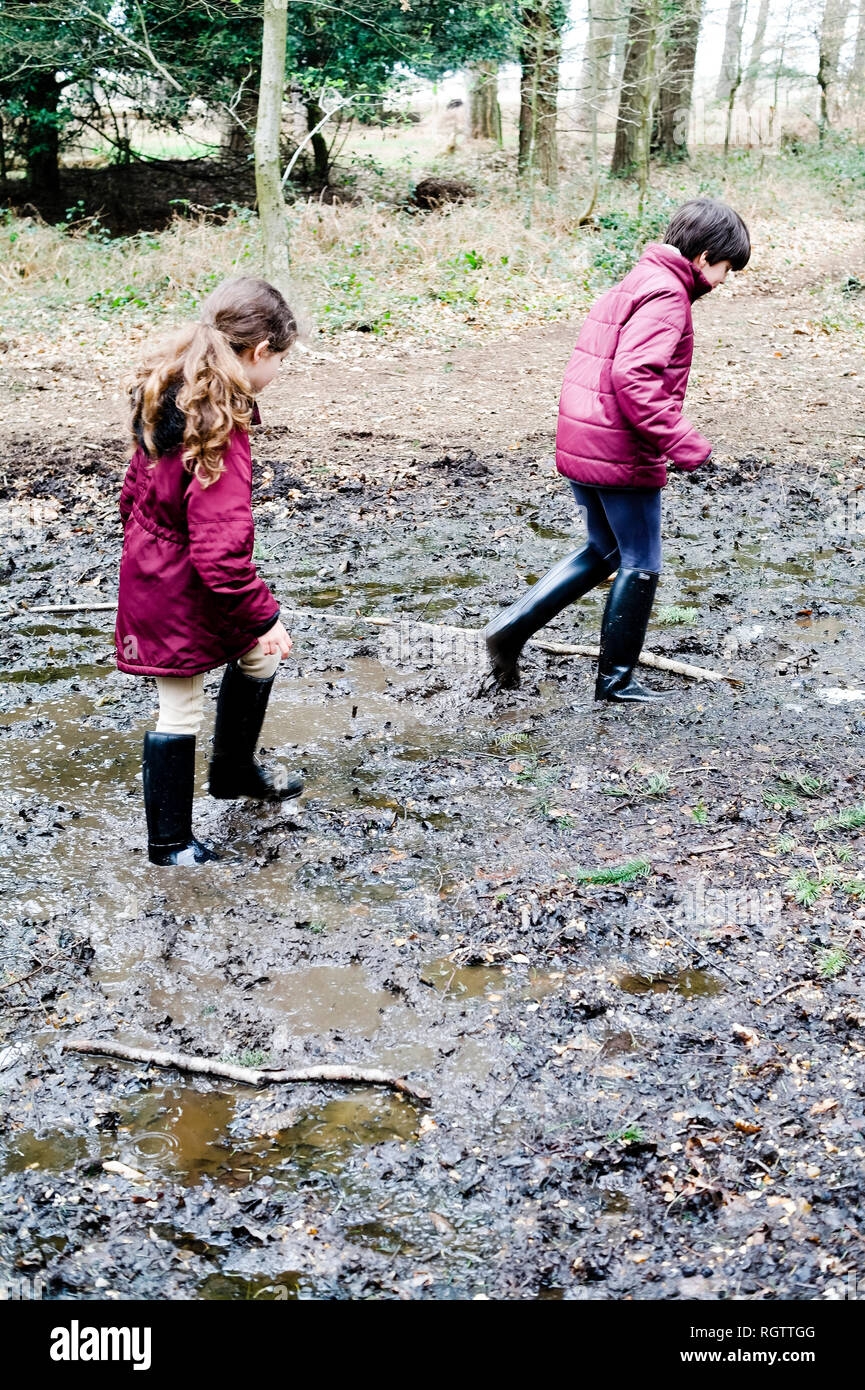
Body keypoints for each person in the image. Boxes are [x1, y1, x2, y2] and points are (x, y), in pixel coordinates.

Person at [485, 198, 751, 702]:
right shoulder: (668, 295)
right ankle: (615, 681)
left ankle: (507, 633)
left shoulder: (637, 279)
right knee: (641, 560)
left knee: (604, 549)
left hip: (584, 440)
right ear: (704, 256)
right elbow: (634, 376)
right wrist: (685, 442)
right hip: (619, 450)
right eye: (725, 268)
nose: (722, 281)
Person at [116, 275, 301, 866]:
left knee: (260, 655)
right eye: (281, 362)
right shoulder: (219, 429)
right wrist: (265, 614)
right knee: (181, 706)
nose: (277, 376)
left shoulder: (166, 393)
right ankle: (169, 845)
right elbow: (221, 556)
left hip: (160, 572)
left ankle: (233, 773)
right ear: (260, 352)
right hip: (178, 589)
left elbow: (130, 495)